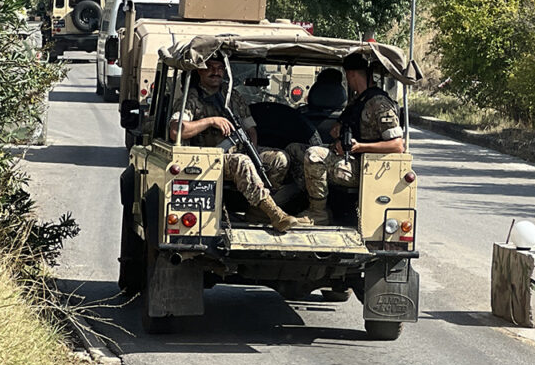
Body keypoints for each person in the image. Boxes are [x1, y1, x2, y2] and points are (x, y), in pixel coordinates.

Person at [170, 55, 309, 233]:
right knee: (242, 162)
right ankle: (276, 215)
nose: (215, 72)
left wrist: (252, 149)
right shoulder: (191, 98)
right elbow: (176, 131)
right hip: (209, 158)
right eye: (210, 67)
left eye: (220, 68)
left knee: (279, 159)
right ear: (199, 70)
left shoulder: (232, 97)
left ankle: (257, 212)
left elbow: (250, 128)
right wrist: (211, 121)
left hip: (240, 150)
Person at [302, 51, 405, 225]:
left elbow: (397, 146)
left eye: (347, 77)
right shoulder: (358, 101)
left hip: (366, 169)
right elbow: (344, 126)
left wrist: (360, 147)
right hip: (350, 158)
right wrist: (339, 135)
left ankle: (318, 213)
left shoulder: (379, 103)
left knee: (313, 154)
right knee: (297, 150)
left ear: (351, 74)